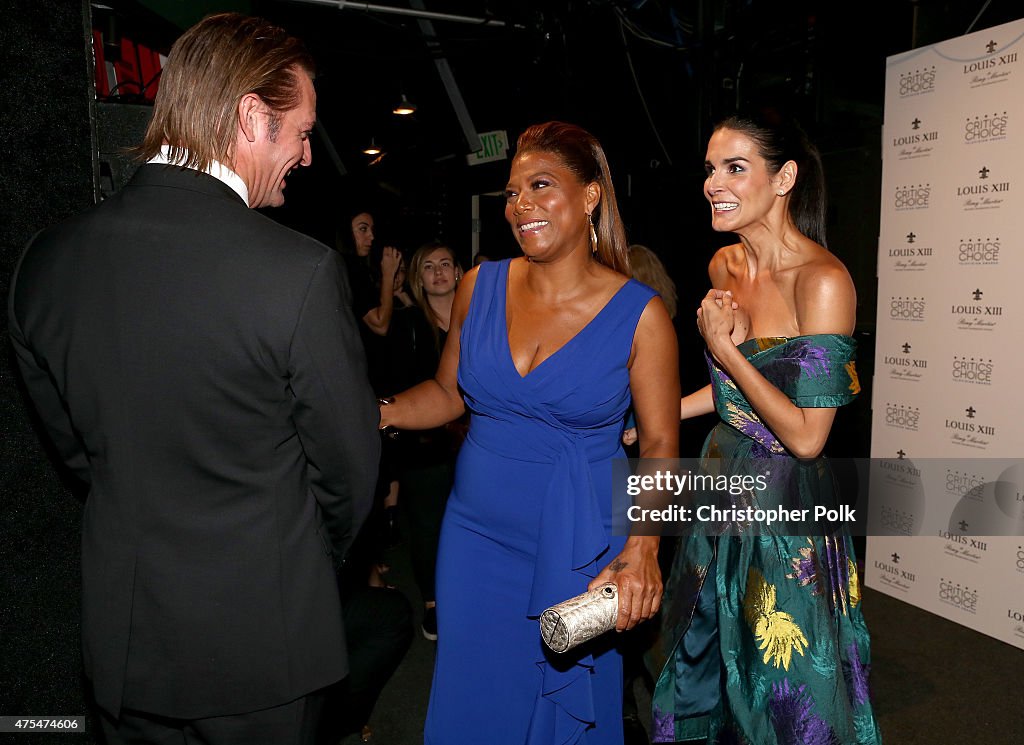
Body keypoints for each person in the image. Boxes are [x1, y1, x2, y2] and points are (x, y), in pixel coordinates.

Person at [7, 13, 379, 745]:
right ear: (250, 116)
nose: (306, 156)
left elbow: (79, 454)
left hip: (125, 646)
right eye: (301, 131)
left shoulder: (43, 265)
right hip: (264, 653)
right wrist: (299, 556)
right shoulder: (297, 273)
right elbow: (350, 474)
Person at [379, 121, 680, 744]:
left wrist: (644, 548)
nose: (521, 206)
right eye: (513, 194)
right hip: (473, 538)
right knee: (476, 699)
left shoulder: (640, 316)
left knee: (558, 714)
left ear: (591, 195)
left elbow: (658, 447)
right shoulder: (478, 286)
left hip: (579, 545)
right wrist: (372, 411)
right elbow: (445, 392)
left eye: (541, 186)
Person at [648, 114, 882, 744]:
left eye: (734, 167)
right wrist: (660, 413)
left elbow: (807, 435)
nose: (712, 184)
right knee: (705, 656)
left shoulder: (823, 281)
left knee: (784, 679)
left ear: (784, 179)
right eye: (709, 168)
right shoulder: (724, 266)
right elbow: (736, 401)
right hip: (719, 479)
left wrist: (723, 348)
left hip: (788, 502)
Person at [386, 241, 465, 641]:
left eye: (445, 264)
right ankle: (433, 604)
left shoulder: (479, 319)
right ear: (418, 278)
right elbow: (402, 383)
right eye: (429, 266)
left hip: (474, 442)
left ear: (458, 271)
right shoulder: (409, 322)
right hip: (424, 444)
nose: (438, 273)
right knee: (428, 525)